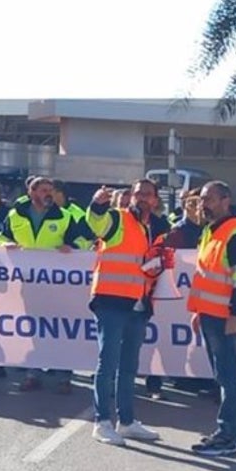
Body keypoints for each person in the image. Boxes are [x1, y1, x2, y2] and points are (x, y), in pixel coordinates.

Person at [85, 180, 171, 446]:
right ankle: (102, 423)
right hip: (111, 300)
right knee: (107, 363)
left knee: (129, 367)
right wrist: (98, 204)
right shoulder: (117, 218)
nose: (142, 198)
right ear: (131, 197)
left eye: (147, 194)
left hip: (138, 303)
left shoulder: (155, 227)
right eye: (138, 193)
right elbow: (96, 224)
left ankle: (127, 421)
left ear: (156, 199)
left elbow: (148, 264)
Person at [186, 181, 236, 457]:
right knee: (225, 376)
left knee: (227, 377)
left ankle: (226, 436)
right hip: (211, 314)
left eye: (209, 199)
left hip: (225, 316)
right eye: (202, 199)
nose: (203, 204)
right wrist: (199, 311)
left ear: (226, 200)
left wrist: (235, 315)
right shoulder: (211, 231)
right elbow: (207, 276)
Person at [0, 175, 89, 393]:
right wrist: (6, 244)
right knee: (33, 329)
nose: (48, 193)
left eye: (51, 189)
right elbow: (1, 236)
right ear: (31, 192)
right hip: (28, 283)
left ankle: (64, 376)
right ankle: (33, 373)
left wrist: (72, 246)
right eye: (43, 190)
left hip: (58, 284)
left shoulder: (65, 216)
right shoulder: (15, 214)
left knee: (60, 328)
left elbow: (84, 239)